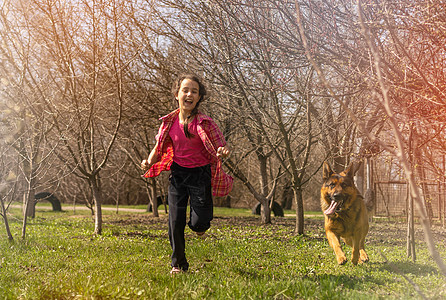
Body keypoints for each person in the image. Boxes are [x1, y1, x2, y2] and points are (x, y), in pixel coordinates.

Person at [141, 73, 233, 275]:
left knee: (199, 223)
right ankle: (178, 265)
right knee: (175, 221)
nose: (189, 94)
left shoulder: (206, 123)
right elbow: (158, 148)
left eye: (194, 91)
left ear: (199, 97)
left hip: (200, 175)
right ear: (177, 94)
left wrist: (223, 151)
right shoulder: (168, 123)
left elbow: (221, 146)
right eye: (185, 90)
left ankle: (199, 227)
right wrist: (148, 162)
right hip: (178, 175)